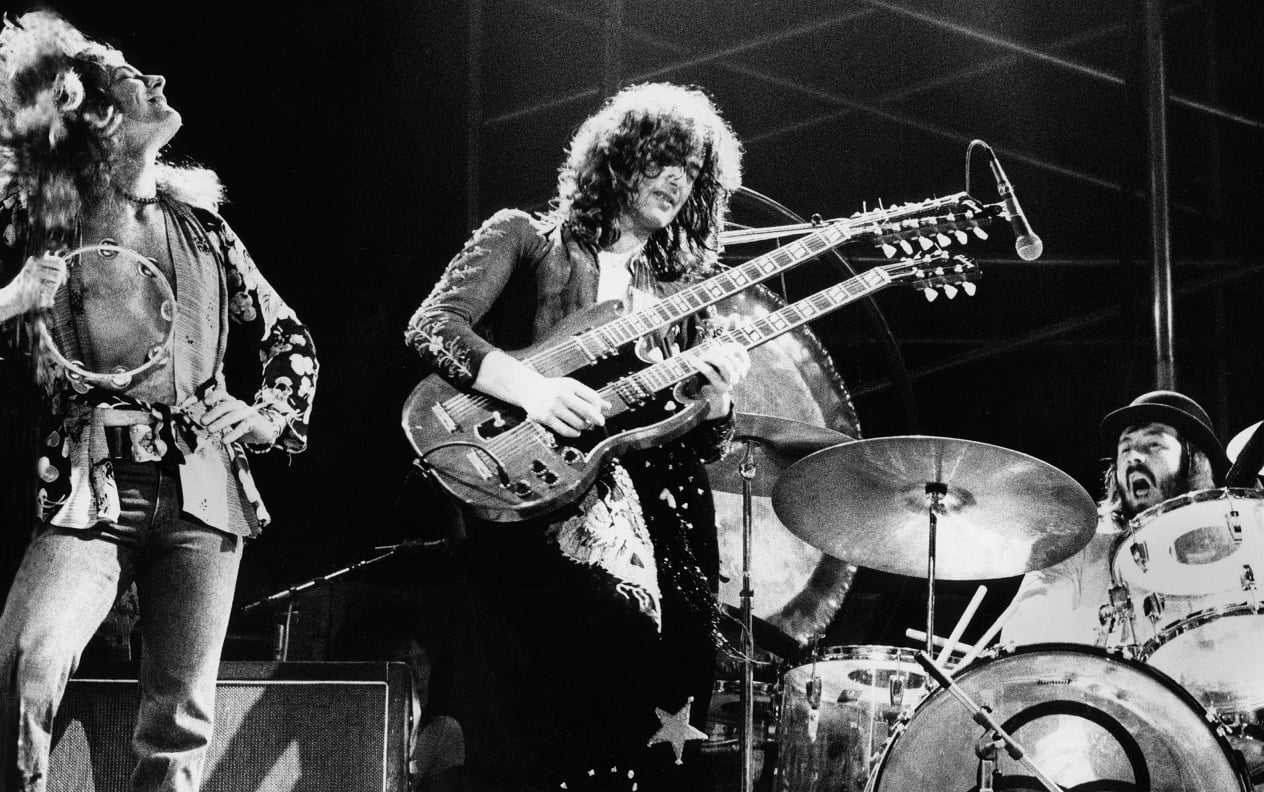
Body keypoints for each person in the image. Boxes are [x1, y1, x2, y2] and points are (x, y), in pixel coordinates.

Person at [0, 11, 317, 792]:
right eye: (133, 80)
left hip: (205, 487)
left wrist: (269, 414)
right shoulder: (46, 219)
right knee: (26, 660)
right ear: (93, 117)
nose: (160, 81)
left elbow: (290, 338)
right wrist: (11, 299)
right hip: (91, 485)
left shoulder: (204, 228)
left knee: (180, 727)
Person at [405, 82, 749, 791]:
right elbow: (433, 326)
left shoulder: (684, 295)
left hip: (666, 517)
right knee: (543, 713)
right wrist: (535, 389)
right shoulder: (525, 239)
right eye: (663, 160)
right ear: (618, 160)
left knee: (659, 700)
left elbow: (703, 444)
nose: (677, 180)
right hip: (540, 499)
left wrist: (716, 404)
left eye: (692, 172)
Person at [1001, 390, 1228, 648]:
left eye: (1154, 444)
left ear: (1195, 461)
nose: (1133, 457)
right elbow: (1021, 643)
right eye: (1125, 448)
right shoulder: (1077, 552)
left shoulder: (1237, 556)